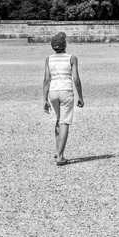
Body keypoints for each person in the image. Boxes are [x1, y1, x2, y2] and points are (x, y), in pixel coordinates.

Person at [42, 32, 83, 166]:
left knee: (58, 120)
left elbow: (47, 79)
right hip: (66, 91)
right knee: (65, 122)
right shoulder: (72, 58)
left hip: (53, 92)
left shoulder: (49, 59)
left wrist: (44, 99)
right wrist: (80, 97)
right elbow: (76, 78)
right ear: (65, 44)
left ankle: (57, 150)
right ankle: (60, 157)